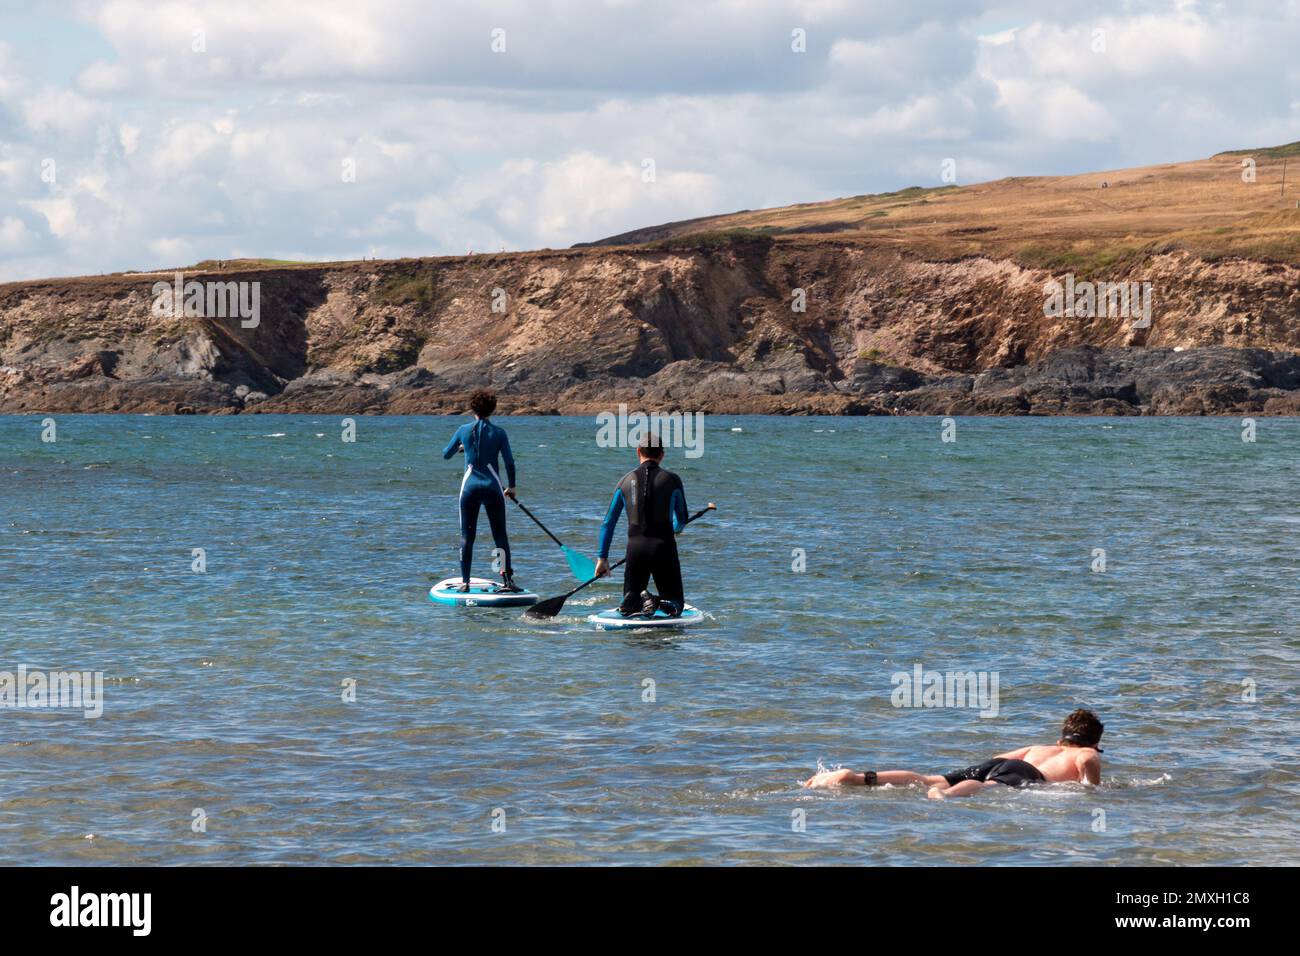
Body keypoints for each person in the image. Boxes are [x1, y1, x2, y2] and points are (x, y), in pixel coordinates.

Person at [801, 709, 1104, 799]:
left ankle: (855, 778)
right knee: (989, 787)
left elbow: (1002, 756)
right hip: (1027, 774)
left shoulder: (1040, 747)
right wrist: (1091, 787)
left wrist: (996, 768)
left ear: (1061, 739)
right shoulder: (1087, 755)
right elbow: (1088, 771)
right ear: (1092, 742)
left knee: (927, 778)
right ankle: (946, 796)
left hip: (1005, 762)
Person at [593, 434, 689, 617]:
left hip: (635, 550)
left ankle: (634, 600)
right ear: (662, 455)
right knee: (676, 606)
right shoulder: (672, 480)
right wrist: (675, 529)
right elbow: (682, 518)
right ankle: (655, 600)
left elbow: (608, 523)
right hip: (664, 547)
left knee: (629, 607)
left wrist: (602, 558)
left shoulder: (625, 481)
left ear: (638, 451)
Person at [442, 389, 520, 593]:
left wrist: (463, 447)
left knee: (467, 536)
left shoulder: (463, 430)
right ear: (493, 409)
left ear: (472, 408)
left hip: (469, 489)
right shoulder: (500, 433)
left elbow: (445, 455)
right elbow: (509, 462)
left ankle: (465, 582)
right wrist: (511, 487)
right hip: (493, 488)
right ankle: (507, 581)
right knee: (500, 536)